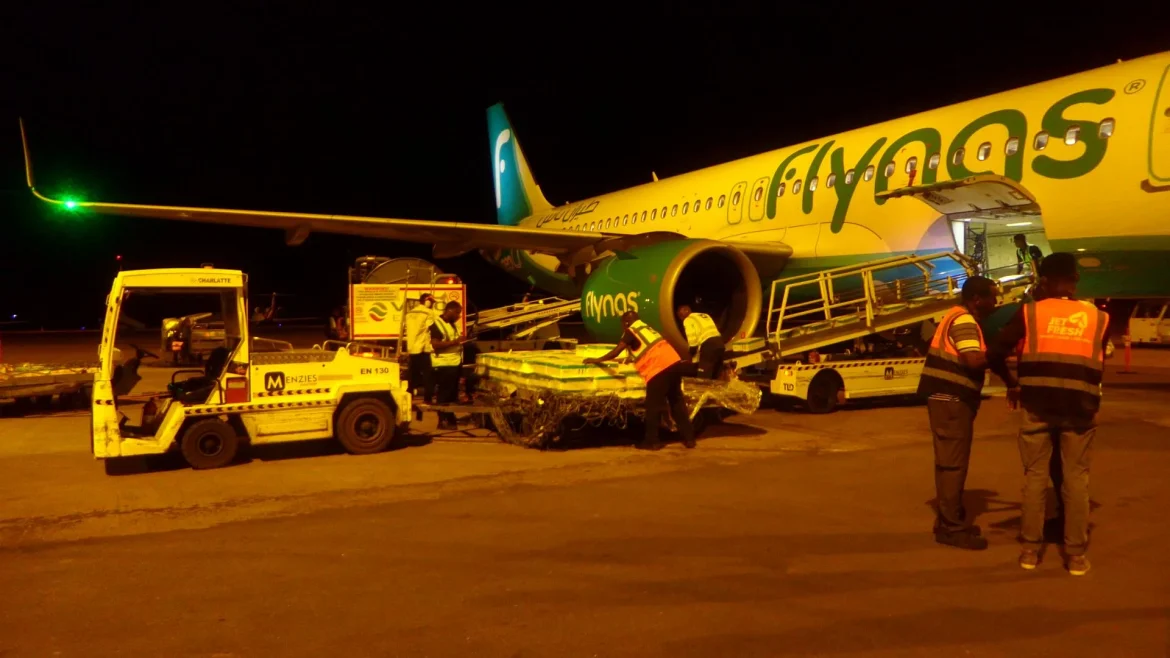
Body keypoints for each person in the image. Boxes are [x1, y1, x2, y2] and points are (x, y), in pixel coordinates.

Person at [988, 252, 1110, 576]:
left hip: (1037, 406)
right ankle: (1076, 556)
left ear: (1043, 281)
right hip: (1080, 409)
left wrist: (1012, 383)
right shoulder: (1098, 317)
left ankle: (1030, 551)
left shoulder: (1029, 313)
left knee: (1035, 477)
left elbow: (995, 352)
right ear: (1075, 281)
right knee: (1076, 479)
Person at [917, 275, 1001, 551]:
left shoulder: (954, 315)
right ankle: (951, 528)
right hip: (952, 400)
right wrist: (1002, 350)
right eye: (992, 296)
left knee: (947, 462)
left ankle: (949, 520)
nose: (996, 301)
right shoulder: (964, 320)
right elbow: (972, 360)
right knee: (953, 464)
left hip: (944, 398)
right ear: (977, 299)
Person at [584, 311, 696, 451]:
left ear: (626, 322)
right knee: (676, 402)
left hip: (659, 369)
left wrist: (597, 360)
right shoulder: (647, 328)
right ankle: (689, 438)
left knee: (653, 406)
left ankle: (652, 441)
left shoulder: (631, 331)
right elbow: (645, 349)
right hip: (674, 362)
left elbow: (616, 351)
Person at [429, 301, 469, 430]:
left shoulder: (452, 324)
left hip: (453, 363)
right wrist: (455, 342)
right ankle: (443, 420)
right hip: (443, 364)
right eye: (457, 313)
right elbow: (435, 344)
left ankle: (449, 418)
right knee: (444, 394)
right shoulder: (437, 325)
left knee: (451, 394)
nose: (458, 316)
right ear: (449, 311)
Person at [677, 305, 725, 379]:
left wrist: (691, 353)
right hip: (720, 344)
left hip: (709, 346)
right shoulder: (705, 315)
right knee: (716, 376)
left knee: (702, 378)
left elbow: (692, 340)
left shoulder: (688, 320)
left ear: (681, 316)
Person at [404, 293, 437, 401]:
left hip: (412, 347)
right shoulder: (428, 312)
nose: (432, 304)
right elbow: (432, 328)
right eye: (431, 302)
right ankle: (428, 398)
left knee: (412, 374)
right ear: (427, 301)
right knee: (428, 374)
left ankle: (408, 397)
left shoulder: (410, 313)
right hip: (422, 347)